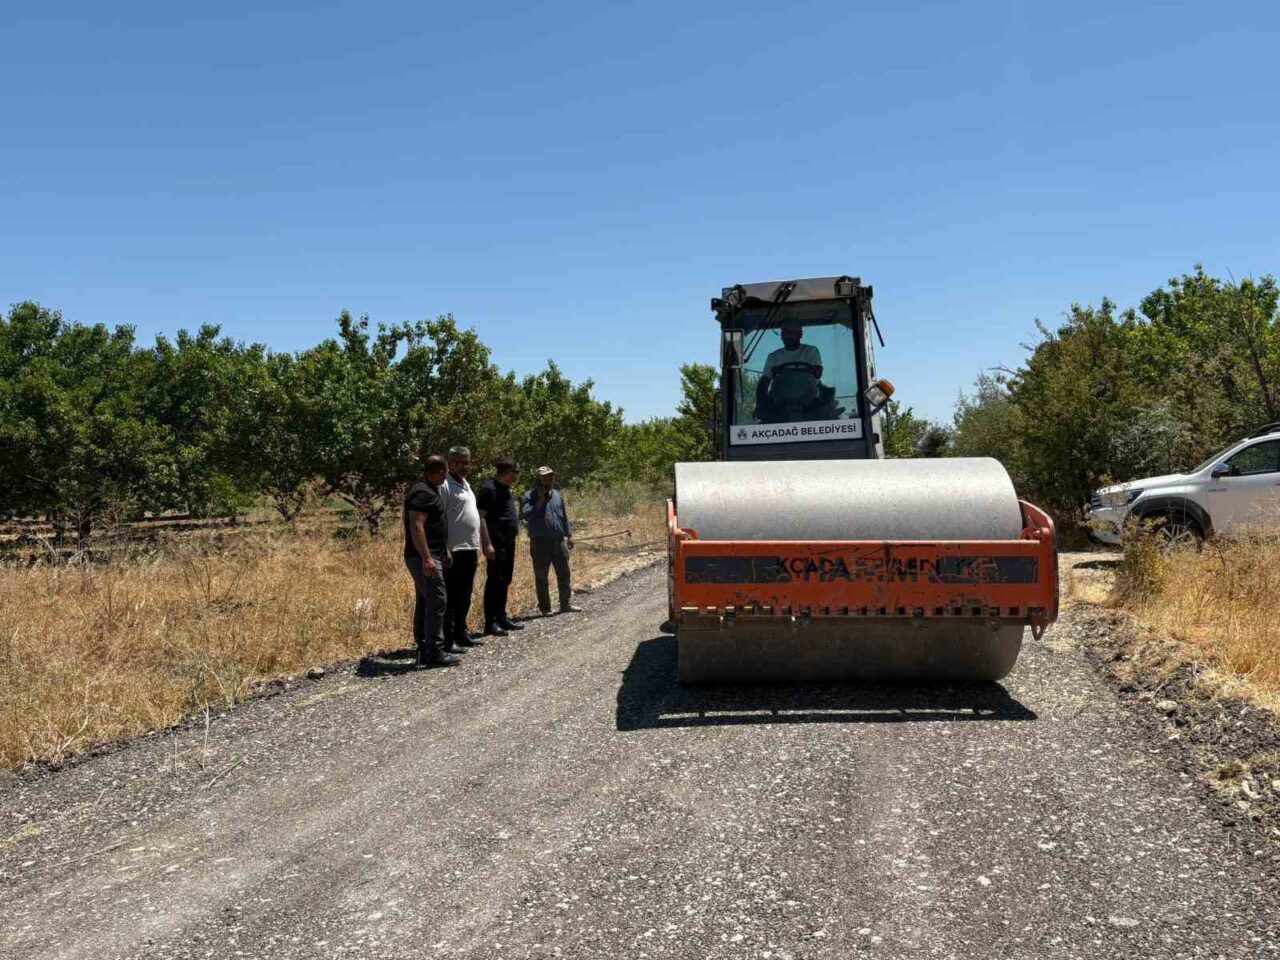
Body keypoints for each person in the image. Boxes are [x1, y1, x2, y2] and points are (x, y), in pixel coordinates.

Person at [403, 455, 459, 667]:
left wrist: (444, 551)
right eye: (444, 472)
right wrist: (427, 558)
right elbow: (416, 526)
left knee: (427, 601)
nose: (445, 476)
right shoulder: (423, 493)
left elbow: (431, 527)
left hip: (433, 554)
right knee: (437, 600)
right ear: (440, 471)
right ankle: (434, 651)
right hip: (424, 558)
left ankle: (424, 647)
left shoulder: (428, 490)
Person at [441, 446, 494, 650]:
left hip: (469, 548)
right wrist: (444, 547)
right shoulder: (445, 485)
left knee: (465, 593)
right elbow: (439, 518)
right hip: (453, 549)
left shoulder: (466, 484)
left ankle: (461, 633)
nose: (462, 466)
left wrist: (485, 543)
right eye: (458, 462)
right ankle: (447, 639)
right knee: (451, 596)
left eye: (466, 462)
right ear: (449, 462)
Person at [521, 466, 582, 616]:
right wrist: (541, 500)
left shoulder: (557, 495)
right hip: (540, 542)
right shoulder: (529, 496)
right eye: (545, 477)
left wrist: (569, 534)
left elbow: (564, 516)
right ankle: (546, 608)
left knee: (564, 574)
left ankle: (565, 604)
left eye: (551, 476)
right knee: (542, 577)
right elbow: (526, 516)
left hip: (558, 541)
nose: (549, 480)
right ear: (538, 479)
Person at [477, 457, 525, 637]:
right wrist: (487, 543)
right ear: (507, 472)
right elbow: (481, 517)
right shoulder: (489, 489)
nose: (517, 476)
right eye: (516, 472)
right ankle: (490, 623)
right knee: (495, 581)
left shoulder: (506, 489)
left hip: (508, 541)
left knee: (505, 579)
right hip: (496, 542)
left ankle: (501, 617)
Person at [755, 317, 825, 421]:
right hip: (780, 405)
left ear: (800, 334)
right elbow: (764, 383)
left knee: (826, 409)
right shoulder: (773, 357)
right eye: (784, 332)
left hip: (811, 404)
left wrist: (787, 371)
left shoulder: (810, 351)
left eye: (792, 332)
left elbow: (818, 373)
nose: (788, 336)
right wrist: (761, 404)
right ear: (782, 336)